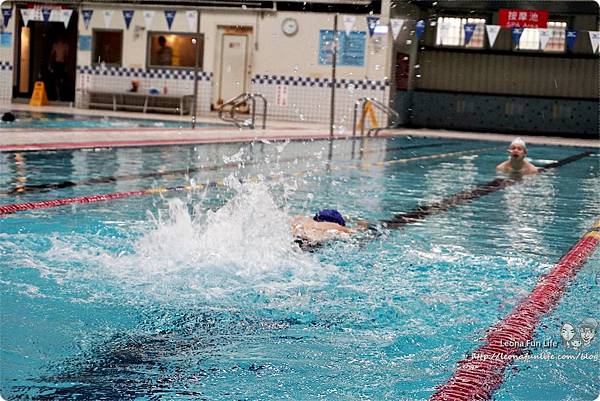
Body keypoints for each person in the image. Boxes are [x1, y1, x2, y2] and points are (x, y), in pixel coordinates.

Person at [291, 209, 374, 248]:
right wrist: (363, 224)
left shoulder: (305, 221)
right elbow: (358, 231)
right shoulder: (338, 227)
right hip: (314, 243)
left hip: (297, 238)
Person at [50, 35, 69, 101]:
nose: (60, 39)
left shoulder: (65, 46)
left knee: (61, 81)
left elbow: (66, 56)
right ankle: (58, 96)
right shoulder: (55, 45)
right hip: (57, 64)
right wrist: (50, 65)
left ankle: (61, 96)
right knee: (56, 81)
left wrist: (66, 66)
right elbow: (52, 55)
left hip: (62, 64)